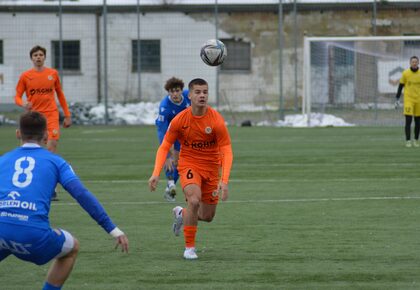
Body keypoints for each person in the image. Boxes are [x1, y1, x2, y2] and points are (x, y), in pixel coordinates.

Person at [0, 111, 129, 290]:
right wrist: (113, 230)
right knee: (72, 247)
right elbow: (81, 194)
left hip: (2, 230)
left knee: (7, 235)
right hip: (33, 235)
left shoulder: (3, 160)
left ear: (18, 134)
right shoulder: (56, 162)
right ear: (46, 136)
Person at [149, 78, 233, 260]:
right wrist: (156, 174)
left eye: (205, 92)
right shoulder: (180, 120)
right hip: (189, 164)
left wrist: (224, 180)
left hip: (211, 169)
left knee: (207, 216)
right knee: (194, 201)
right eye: (198, 92)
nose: (202, 95)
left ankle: (182, 214)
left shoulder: (216, 120)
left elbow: (226, 149)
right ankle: (189, 248)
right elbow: (165, 146)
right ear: (190, 95)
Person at [15, 45, 72, 200]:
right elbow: (17, 96)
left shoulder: (52, 74)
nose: (38, 57)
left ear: (44, 57)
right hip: (33, 117)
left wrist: (67, 115)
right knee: (29, 149)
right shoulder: (26, 76)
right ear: (31, 58)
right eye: (35, 55)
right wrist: (23, 104)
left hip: (51, 115)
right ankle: (27, 184)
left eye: (41, 54)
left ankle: (51, 187)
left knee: (51, 145)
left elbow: (60, 95)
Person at [155, 77, 190, 202]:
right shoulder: (165, 107)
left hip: (184, 132)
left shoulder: (188, 96)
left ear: (181, 90)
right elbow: (162, 131)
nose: (175, 94)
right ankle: (170, 183)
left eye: (177, 91)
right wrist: (167, 154)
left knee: (180, 162)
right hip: (169, 133)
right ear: (168, 92)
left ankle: (169, 188)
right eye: (172, 91)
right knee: (170, 160)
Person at [395, 55, 420, 147]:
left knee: (418, 122)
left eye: (416, 62)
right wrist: (397, 98)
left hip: (419, 100)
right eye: (412, 62)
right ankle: (408, 140)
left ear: (418, 63)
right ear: (410, 63)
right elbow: (401, 86)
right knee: (408, 120)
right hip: (408, 99)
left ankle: (416, 140)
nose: (414, 63)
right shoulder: (406, 73)